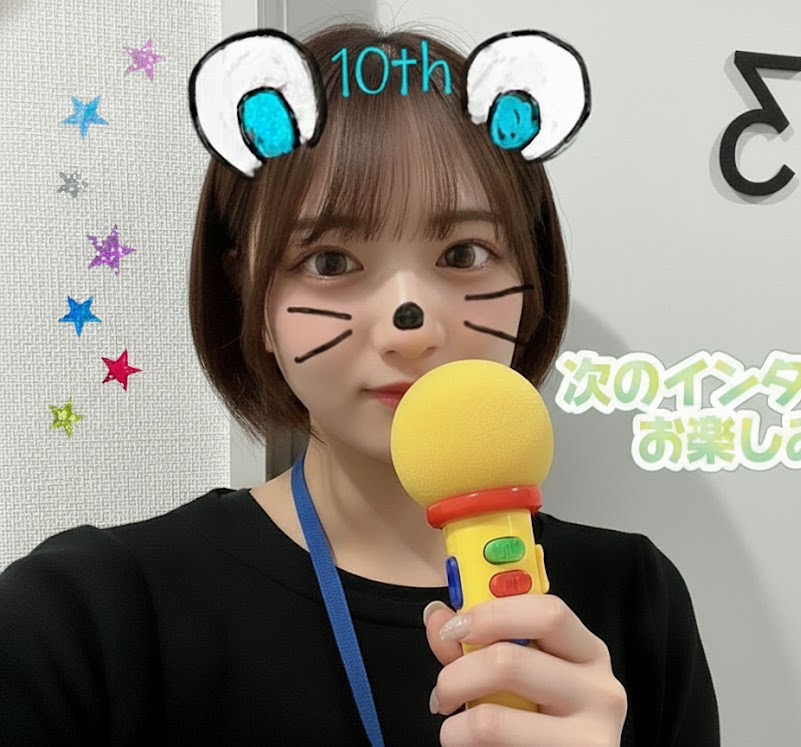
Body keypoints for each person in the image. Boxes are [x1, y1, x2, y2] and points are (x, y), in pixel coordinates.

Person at [0, 21, 719, 746]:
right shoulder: (80, 621)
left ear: (530, 282)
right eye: (331, 262)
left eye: (464, 253)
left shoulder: (636, 599)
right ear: (251, 298)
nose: (410, 327)